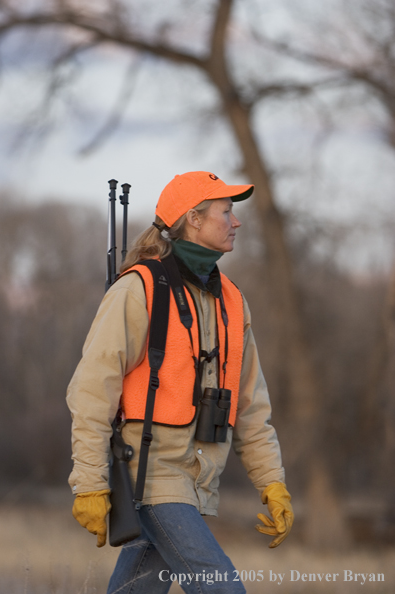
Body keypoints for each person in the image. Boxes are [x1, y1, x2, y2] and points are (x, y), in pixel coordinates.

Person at [67, 171, 294, 594]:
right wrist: (91, 483)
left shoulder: (232, 300)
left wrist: (272, 482)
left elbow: (251, 404)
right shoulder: (139, 289)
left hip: (197, 481)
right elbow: (92, 391)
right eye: (226, 211)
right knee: (222, 587)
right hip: (151, 477)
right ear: (194, 218)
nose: (236, 221)